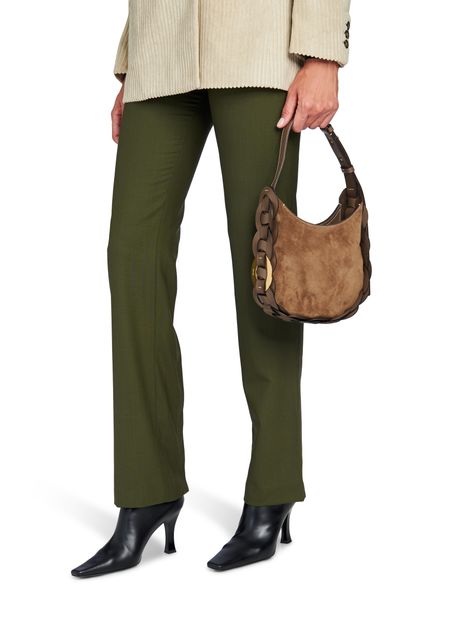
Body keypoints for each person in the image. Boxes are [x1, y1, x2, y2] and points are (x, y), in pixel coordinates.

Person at [71, 0, 352, 577]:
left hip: (260, 47)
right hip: (161, 53)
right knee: (132, 259)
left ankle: (274, 486)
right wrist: (132, 63)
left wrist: (323, 53)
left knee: (265, 270)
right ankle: (146, 491)